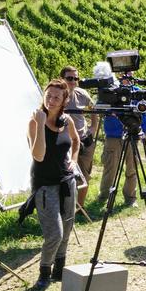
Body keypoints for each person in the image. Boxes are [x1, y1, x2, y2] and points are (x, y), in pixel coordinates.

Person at [27, 79, 80, 290]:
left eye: (57, 97)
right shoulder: (34, 121)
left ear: (64, 100)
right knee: (54, 233)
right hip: (45, 184)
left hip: (66, 181)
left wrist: (74, 160)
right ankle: (44, 271)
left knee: (67, 227)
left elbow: (76, 141)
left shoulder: (67, 121)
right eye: (48, 95)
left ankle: (60, 267)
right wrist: (40, 124)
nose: (51, 100)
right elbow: (38, 155)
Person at [97, 75, 146, 206]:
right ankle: (104, 196)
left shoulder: (138, 91)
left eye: (130, 74)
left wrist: (144, 131)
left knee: (132, 168)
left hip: (133, 135)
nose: (127, 76)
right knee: (110, 167)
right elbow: (101, 107)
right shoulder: (110, 90)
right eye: (124, 74)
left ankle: (130, 198)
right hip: (113, 135)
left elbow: (144, 114)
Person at [60, 65, 99, 209]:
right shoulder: (57, 95)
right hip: (64, 143)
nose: (73, 81)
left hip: (84, 140)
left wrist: (93, 127)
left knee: (84, 176)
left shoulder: (82, 94)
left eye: (76, 78)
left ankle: (80, 208)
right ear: (62, 78)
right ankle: (65, 209)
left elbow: (94, 110)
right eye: (69, 78)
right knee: (65, 177)